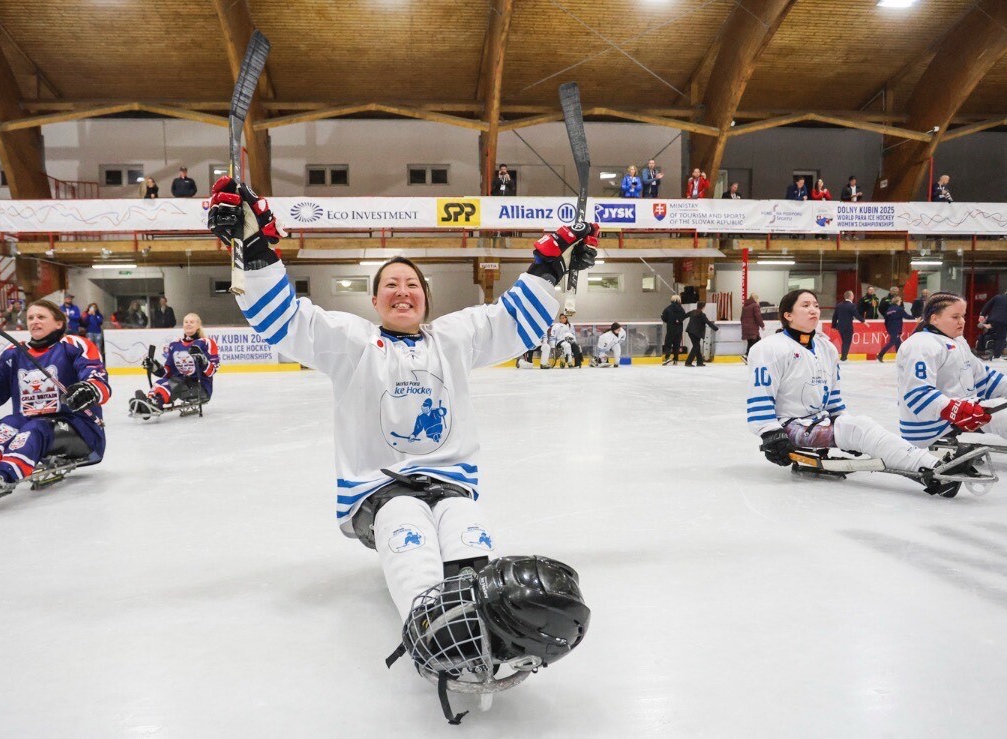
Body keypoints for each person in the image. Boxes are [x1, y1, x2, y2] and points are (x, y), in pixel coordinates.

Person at [207, 177, 594, 704]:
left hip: (449, 479)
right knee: (405, 518)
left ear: (426, 299)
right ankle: (433, 627)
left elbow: (510, 320)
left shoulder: (454, 339)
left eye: (411, 283)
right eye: (390, 284)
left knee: (463, 524)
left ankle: (486, 623)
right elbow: (289, 320)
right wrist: (254, 249)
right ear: (374, 299)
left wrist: (553, 263)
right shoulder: (352, 343)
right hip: (378, 490)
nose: (402, 290)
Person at [746, 289, 942, 489]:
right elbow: (761, 395)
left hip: (818, 421)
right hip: (789, 427)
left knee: (859, 427)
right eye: (805, 306)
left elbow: (833, 397)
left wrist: (846, 426)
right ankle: (928, 465)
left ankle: (924, 465)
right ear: (788, 315)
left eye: (815, 305)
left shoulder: (826, 347)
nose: (813, 310)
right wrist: (771, 433)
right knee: (861, 428)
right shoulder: (770, 348)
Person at [0, 300, 109, 505]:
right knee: (10, 422)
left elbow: (97, 377)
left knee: (36, 426)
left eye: (41, 317)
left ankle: (2, 476)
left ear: (59, 323)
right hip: (31, 429)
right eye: (30, 318)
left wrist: (89, 389)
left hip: (81, 430)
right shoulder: (14, 353)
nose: (34, 322)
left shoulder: (74, 345)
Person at [895, 292, 1007, 449]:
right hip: (931, 424)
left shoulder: (958, 341)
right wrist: (958, 410)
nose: (962, 321)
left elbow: (983, 378)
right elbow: (917, 394)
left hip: (963, 409)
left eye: (963, 316)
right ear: (934, 318)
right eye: (955, 317)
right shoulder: (921, 345)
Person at [132, 313, 220, 415]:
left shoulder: (206, 343)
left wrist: (203, 360)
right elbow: (167, 372)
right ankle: (149, 401)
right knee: (164, 381)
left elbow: (212, 371)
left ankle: (154, 403)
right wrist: (154, 366)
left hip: (200, 388)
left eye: (192, 322)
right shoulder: (175, 344)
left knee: (174, 382)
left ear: (198, 325)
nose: (188, 324)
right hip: (180, 385)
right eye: (186, 322)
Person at [832, 291, 866, 361]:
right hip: (848, 327)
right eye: (852, 295)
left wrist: (834, 326)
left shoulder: (839, 305)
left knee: (844, 342)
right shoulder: (852, 305)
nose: (853, 297)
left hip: (840, 327)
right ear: (851, 297)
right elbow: (856, 315)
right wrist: (863, 321)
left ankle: (844, 356)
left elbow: (834, 316)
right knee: (847, 342)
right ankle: (844, 357)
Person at [877, 295, 912, 362]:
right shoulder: (899, 309)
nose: (900, 302)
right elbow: (907, 316)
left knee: (898, 343)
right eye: (900, 301)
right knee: (892, 342)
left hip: (891, 328)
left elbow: (886, 320)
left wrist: (888, 328)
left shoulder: (889, 309)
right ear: (897, 302)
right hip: (896, 328)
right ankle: (880, 355)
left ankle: (900, 358)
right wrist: (915, 318)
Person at [684, 301, 718, 366]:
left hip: (690, 331)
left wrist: (677, 320)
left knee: (697, 346)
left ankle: (700, 362)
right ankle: (688, 362)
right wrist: (716, 329)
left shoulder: (692, 312)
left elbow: (684, 316)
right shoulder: (702, 315)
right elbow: (708, 322)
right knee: (696, 346)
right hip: (696, 333)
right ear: (703, 307)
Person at [978, 289, 1007, 360]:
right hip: (1003, 322)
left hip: (992, 320)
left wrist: (982, 314)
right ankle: (997, 356)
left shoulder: (998, 297)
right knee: (1001, 338)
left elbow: (988, 304)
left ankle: (983, 350)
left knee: (989, 335)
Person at [661, 294, 686, 365]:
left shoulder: (667, 309)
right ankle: (675, 360)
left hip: (670, 328)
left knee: (668, 343)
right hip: (679, 329)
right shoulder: (681, 309)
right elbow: (683, 317)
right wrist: (678, 321)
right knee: (677, 344)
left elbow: (664, 317)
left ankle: (667, 357)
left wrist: (668, 320)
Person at [740, 294, 764, 362]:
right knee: (754, 343)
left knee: (753, 342)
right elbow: (758, 316)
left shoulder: (745, 306)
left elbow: (741, 318)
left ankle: (750, 357)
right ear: (755, 298)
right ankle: (746, 356)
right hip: (752, 328)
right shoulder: (755, 305)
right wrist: (762, 325)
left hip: (746, 328)